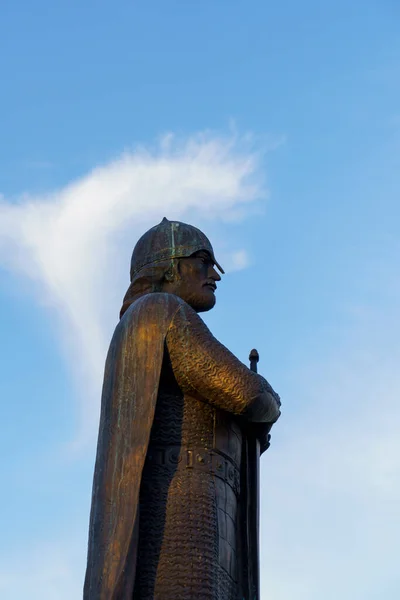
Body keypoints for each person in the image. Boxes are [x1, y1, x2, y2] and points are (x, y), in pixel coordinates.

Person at [84, 218, 281, 600]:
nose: (214, 275)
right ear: (170, 266)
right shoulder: (164, 310)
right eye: (204, 261)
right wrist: (268, 398)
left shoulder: (149, 320)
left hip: (209, 510)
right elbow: (248, 395)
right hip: (184, 512)